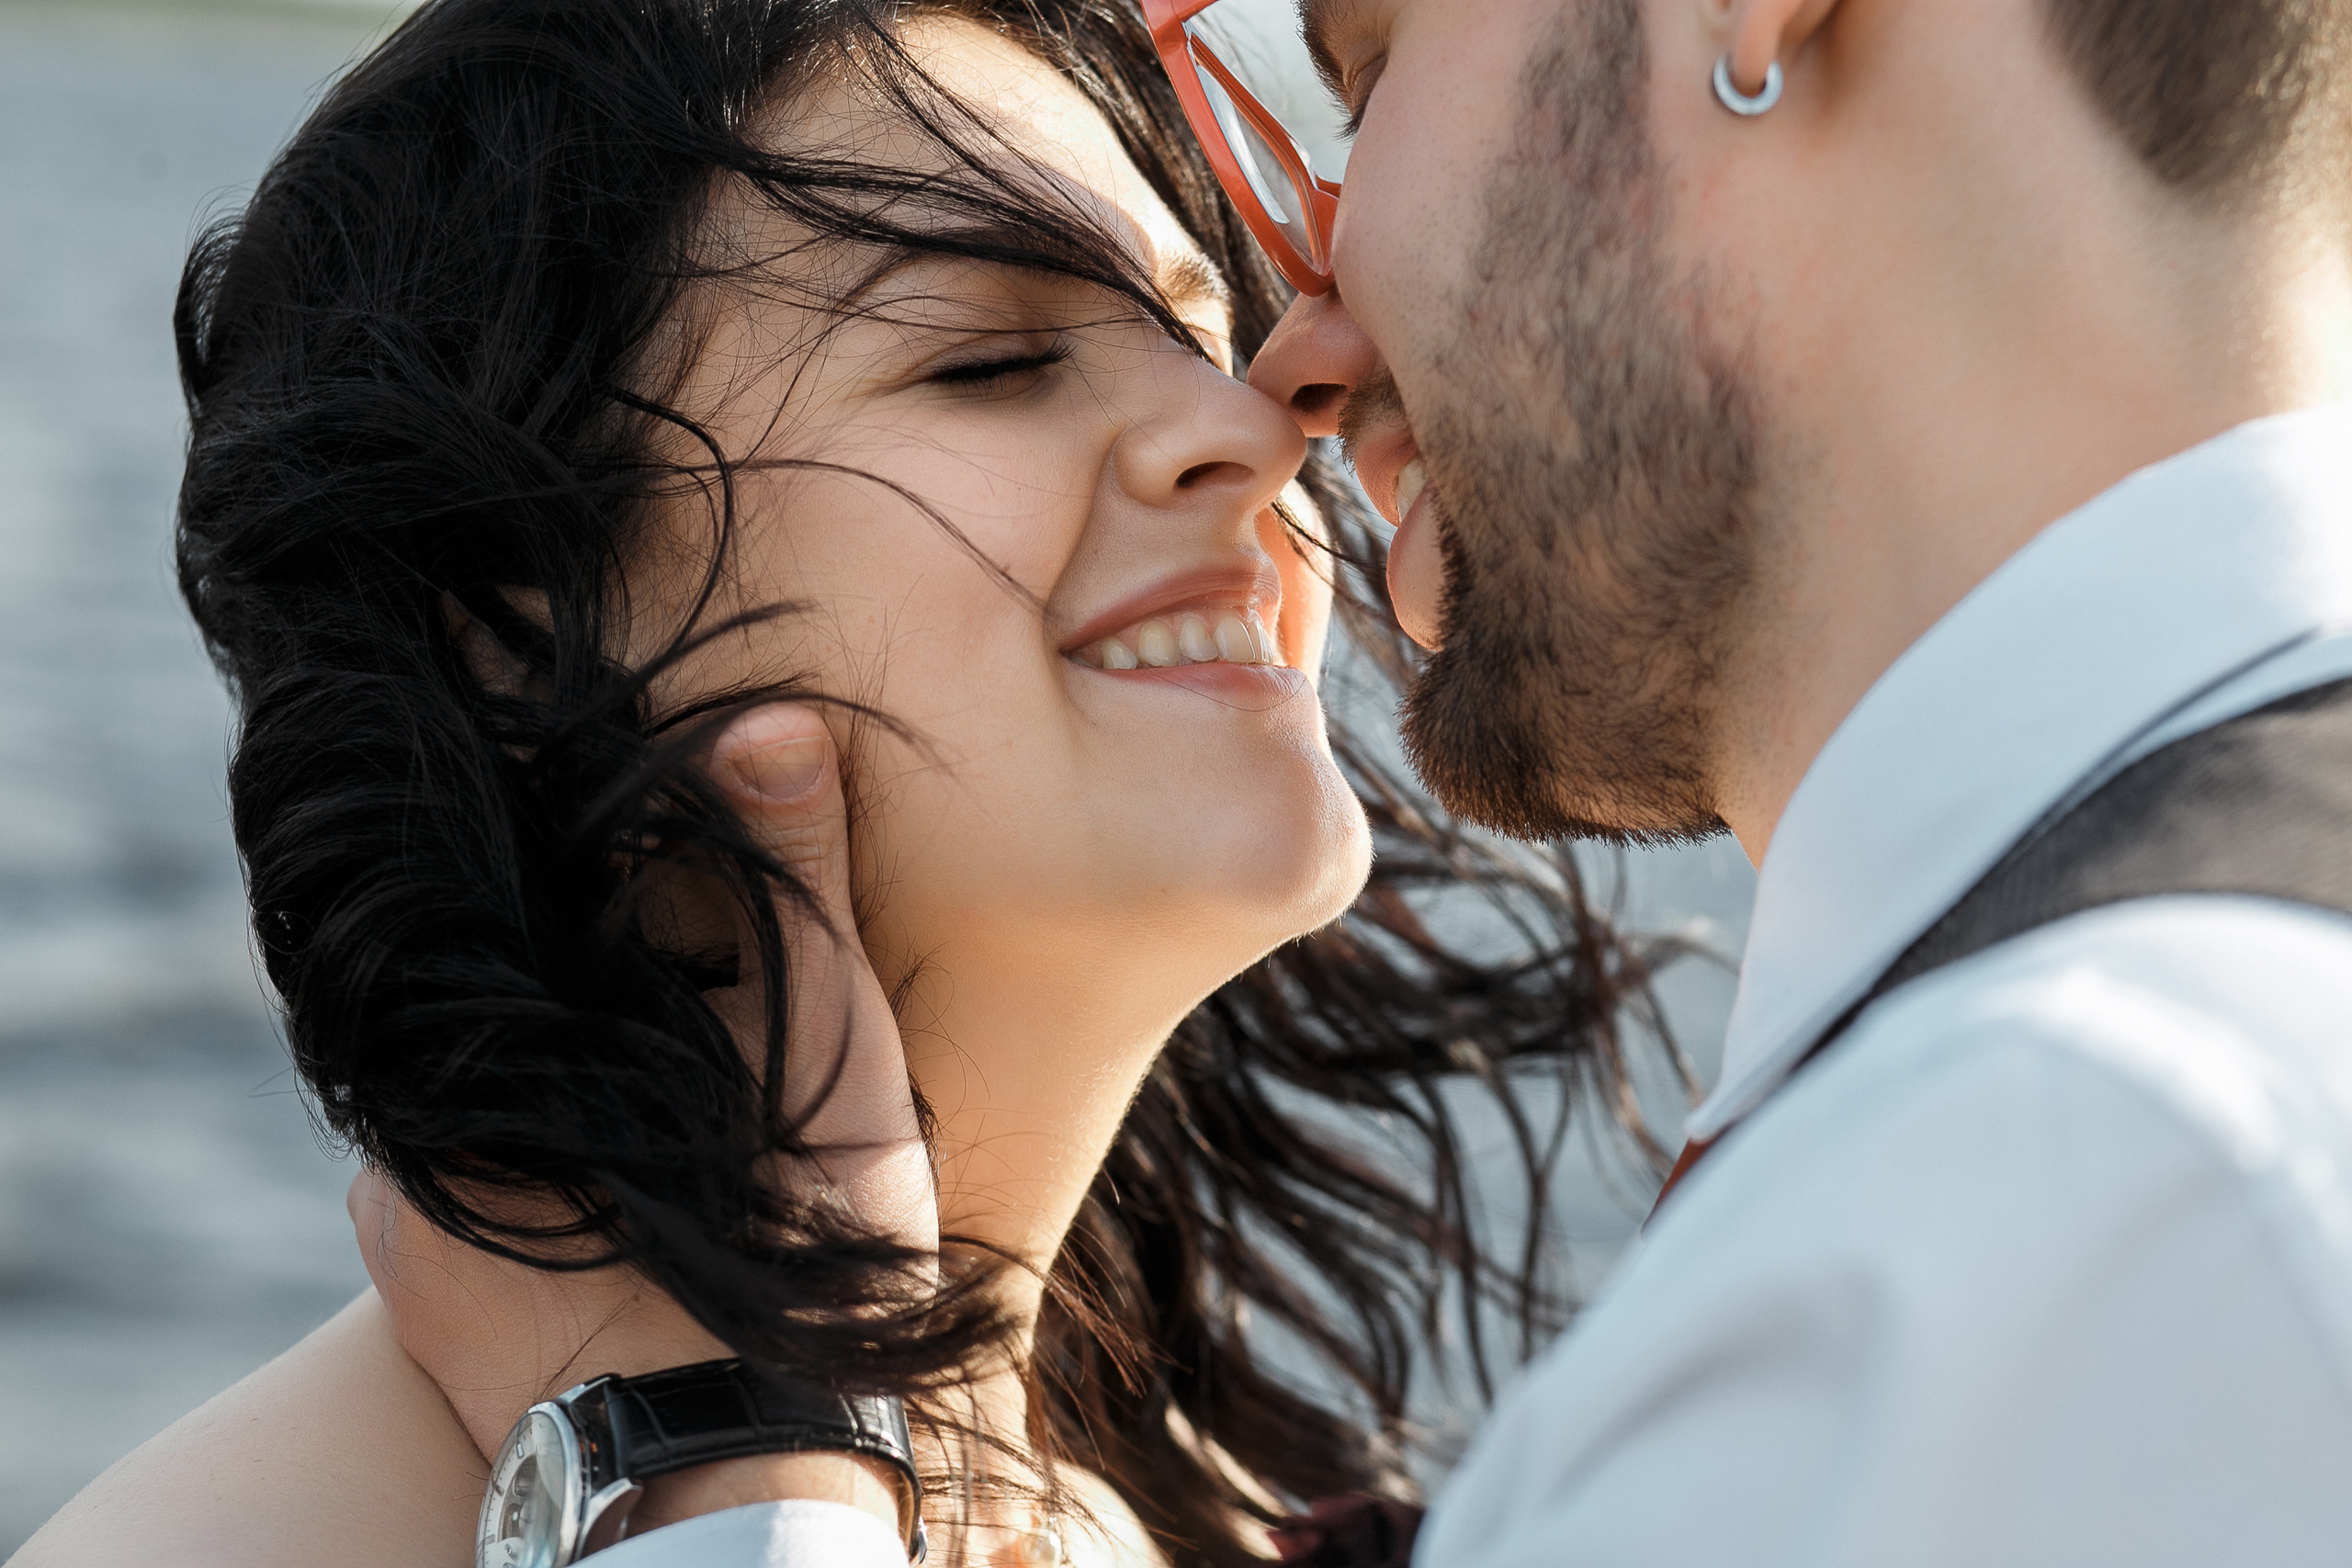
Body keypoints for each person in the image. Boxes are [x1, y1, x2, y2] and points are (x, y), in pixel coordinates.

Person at [330, 0, 2352, 1563]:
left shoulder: (2096, 1170)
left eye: (1364, 74)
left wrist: (711, 1474)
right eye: (985, 360)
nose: (1278, 375)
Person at [7, 4, 1679, 1566]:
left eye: (1198, 329)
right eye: (991, 363)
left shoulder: (1172, 1512)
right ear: (523, 637)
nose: (1244, 428)